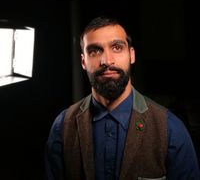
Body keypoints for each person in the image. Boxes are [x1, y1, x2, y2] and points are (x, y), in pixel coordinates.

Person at [45, 15, 200, 180]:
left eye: (117, 47)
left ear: (131, 55)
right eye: (95, 51)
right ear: (83, 62)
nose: (106, 61)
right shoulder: (62, 127)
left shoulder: (170, 129)